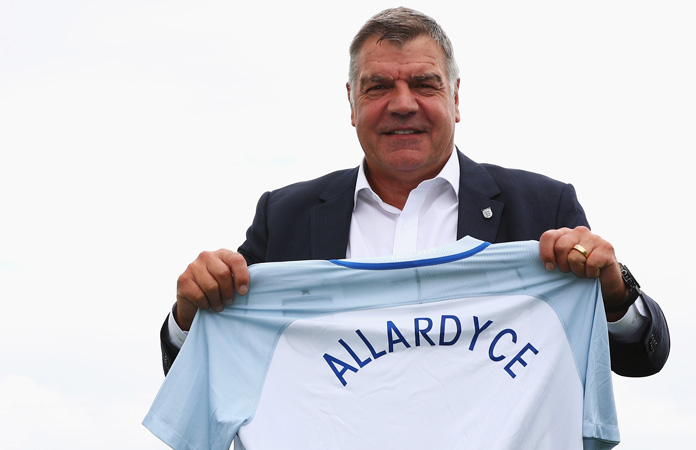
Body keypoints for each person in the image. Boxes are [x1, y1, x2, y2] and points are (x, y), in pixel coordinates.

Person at [160, 6, 669, 378]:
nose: (402, 105)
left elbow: (640, 357)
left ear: (455, 97)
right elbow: (204, 363)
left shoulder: (542, 206)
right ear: (351, 102)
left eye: (423, 84)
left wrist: (614, 292)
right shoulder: (285, 215)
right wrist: (188, 314)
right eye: (378, 87)